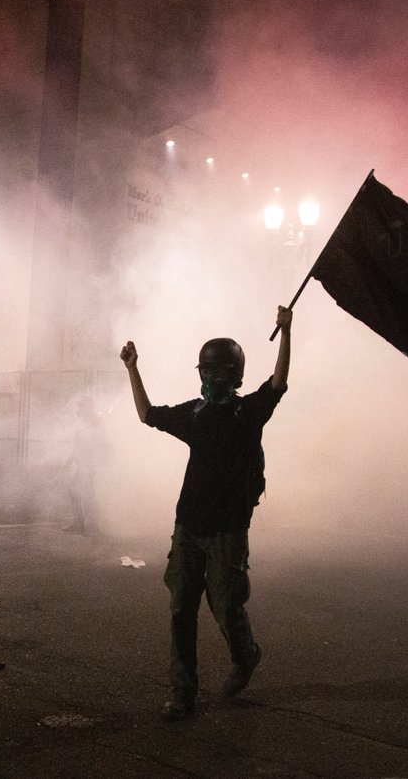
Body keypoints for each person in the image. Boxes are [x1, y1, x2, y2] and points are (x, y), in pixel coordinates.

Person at [121, 305, 292, 722]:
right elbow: (147, 415)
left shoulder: (248, 414)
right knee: (181, 608)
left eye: (220, 371)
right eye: (206, 371)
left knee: (227, 606)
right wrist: (132, 368)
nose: (211, 378)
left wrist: (287, 332)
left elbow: (279, 383)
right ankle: (183, 692)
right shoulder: (193, 415)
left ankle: (245, 655)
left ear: (235, 376)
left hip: (228, 531)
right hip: (188, 527)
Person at [64, 396, 110, 535]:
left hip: (89, 463)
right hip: (85, 463)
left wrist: (73, 460)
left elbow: (94, 443)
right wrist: (71, 460)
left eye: (81, 406)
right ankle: (85, 524)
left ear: (88, 407)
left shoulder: (94, 421)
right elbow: (79, 444)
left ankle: (90, 525)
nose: (79, 408)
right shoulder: (86, 421)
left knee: (83, 493)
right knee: (80, 492)